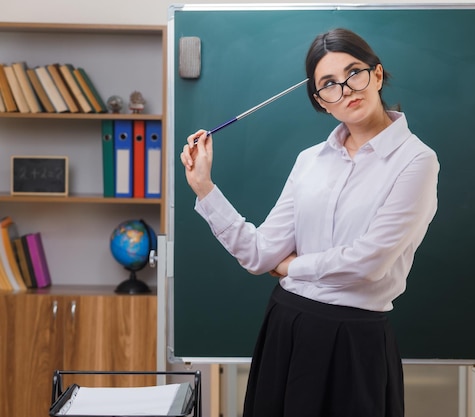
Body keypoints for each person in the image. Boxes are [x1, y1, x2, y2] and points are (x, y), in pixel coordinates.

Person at [180, 28, 439, 417]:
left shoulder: (417, 161)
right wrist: (204, 187)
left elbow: (368, 263)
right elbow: (257, 254)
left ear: (378, 75)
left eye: (354, 73)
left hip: (354, 340)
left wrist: (289, 267)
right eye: (329, 85)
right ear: (321, 102)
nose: (347, 89)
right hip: (286, 326)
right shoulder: (309, 160)